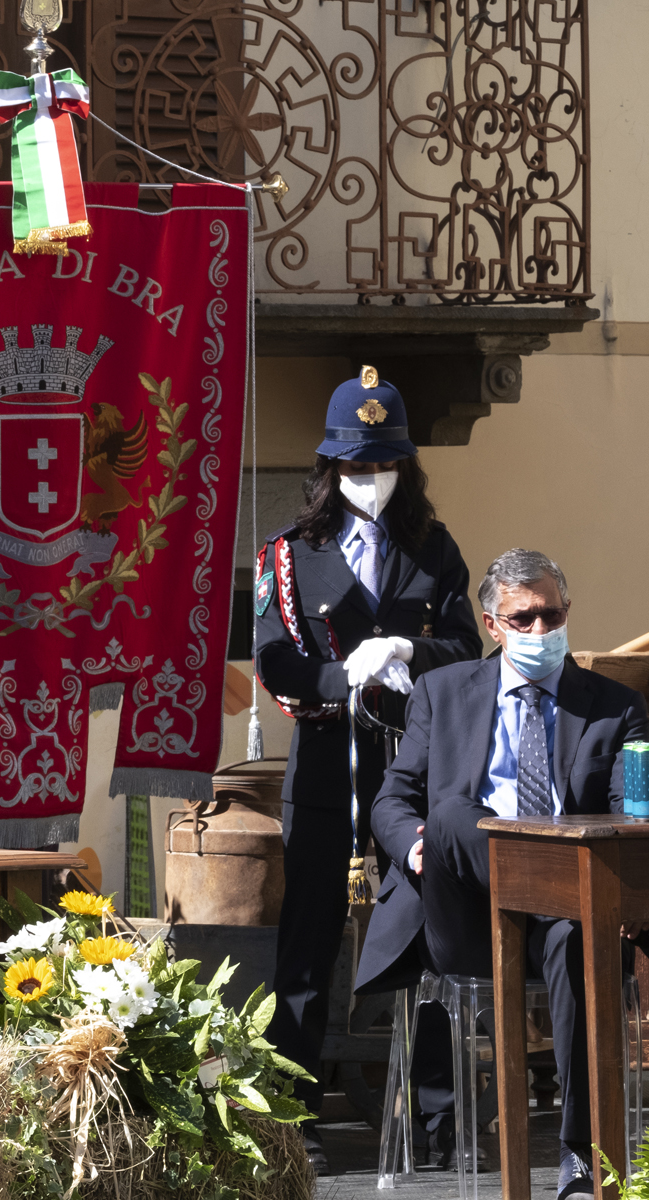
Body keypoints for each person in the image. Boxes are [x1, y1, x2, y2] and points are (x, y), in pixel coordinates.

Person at [355, 550, 648, 1200]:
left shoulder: (615, 708)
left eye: (551, 615)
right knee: (456, 814)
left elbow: (632, 817)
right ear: (493, 624)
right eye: (524, 618)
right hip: (465, 913)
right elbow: (392, 799)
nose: (540, 630)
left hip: (569, 919)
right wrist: (418, 848)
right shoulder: (444, 691)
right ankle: (524, 878)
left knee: (578, 938)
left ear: (567, 613)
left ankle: (582, 1160)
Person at [252, 367, 482, 1172]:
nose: (369, 481)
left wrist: (406, 648)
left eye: (381, 465)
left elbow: (468, 649)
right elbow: (273, 656)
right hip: (326, 767)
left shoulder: (434, 548)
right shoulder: (291, 555)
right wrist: (335, 678)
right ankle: (295, 1116)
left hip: (414, 770)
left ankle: (438, 1120)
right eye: (355, 468)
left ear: (403, 466)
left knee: (428, 936)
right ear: (330, 471)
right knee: (308, 947)